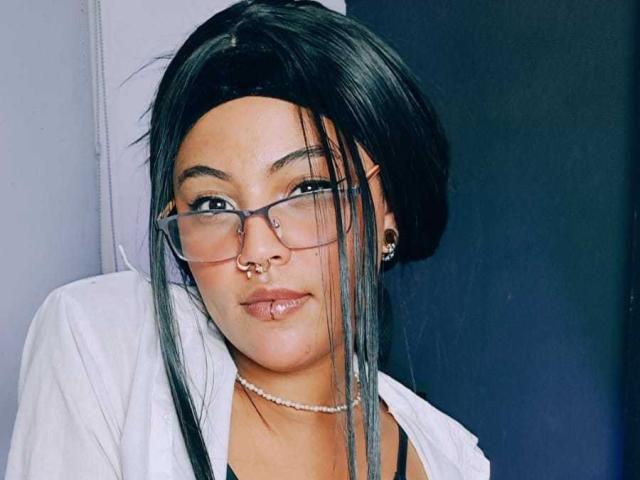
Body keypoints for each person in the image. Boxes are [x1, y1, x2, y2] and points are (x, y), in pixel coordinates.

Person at [6, 1, 490, 479]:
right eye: (212, 204)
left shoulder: (450, 460)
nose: (256, 251)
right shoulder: (104, 351)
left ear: (389, 211)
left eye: (307, 190)